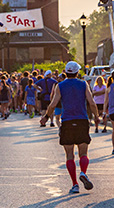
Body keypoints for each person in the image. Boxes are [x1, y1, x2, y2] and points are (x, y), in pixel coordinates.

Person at [41, 61, 99, 194]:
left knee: (69, 155)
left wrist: (45, 117)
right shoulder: (83, 84)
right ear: (77, 72)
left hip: (67, 121)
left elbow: (53, 104)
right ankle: (83, 172)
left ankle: (74, 184)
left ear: (65, 72)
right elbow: (91, 102)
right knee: (83, 153)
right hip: (82, 120)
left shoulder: (60, 86)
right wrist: (96, 116)